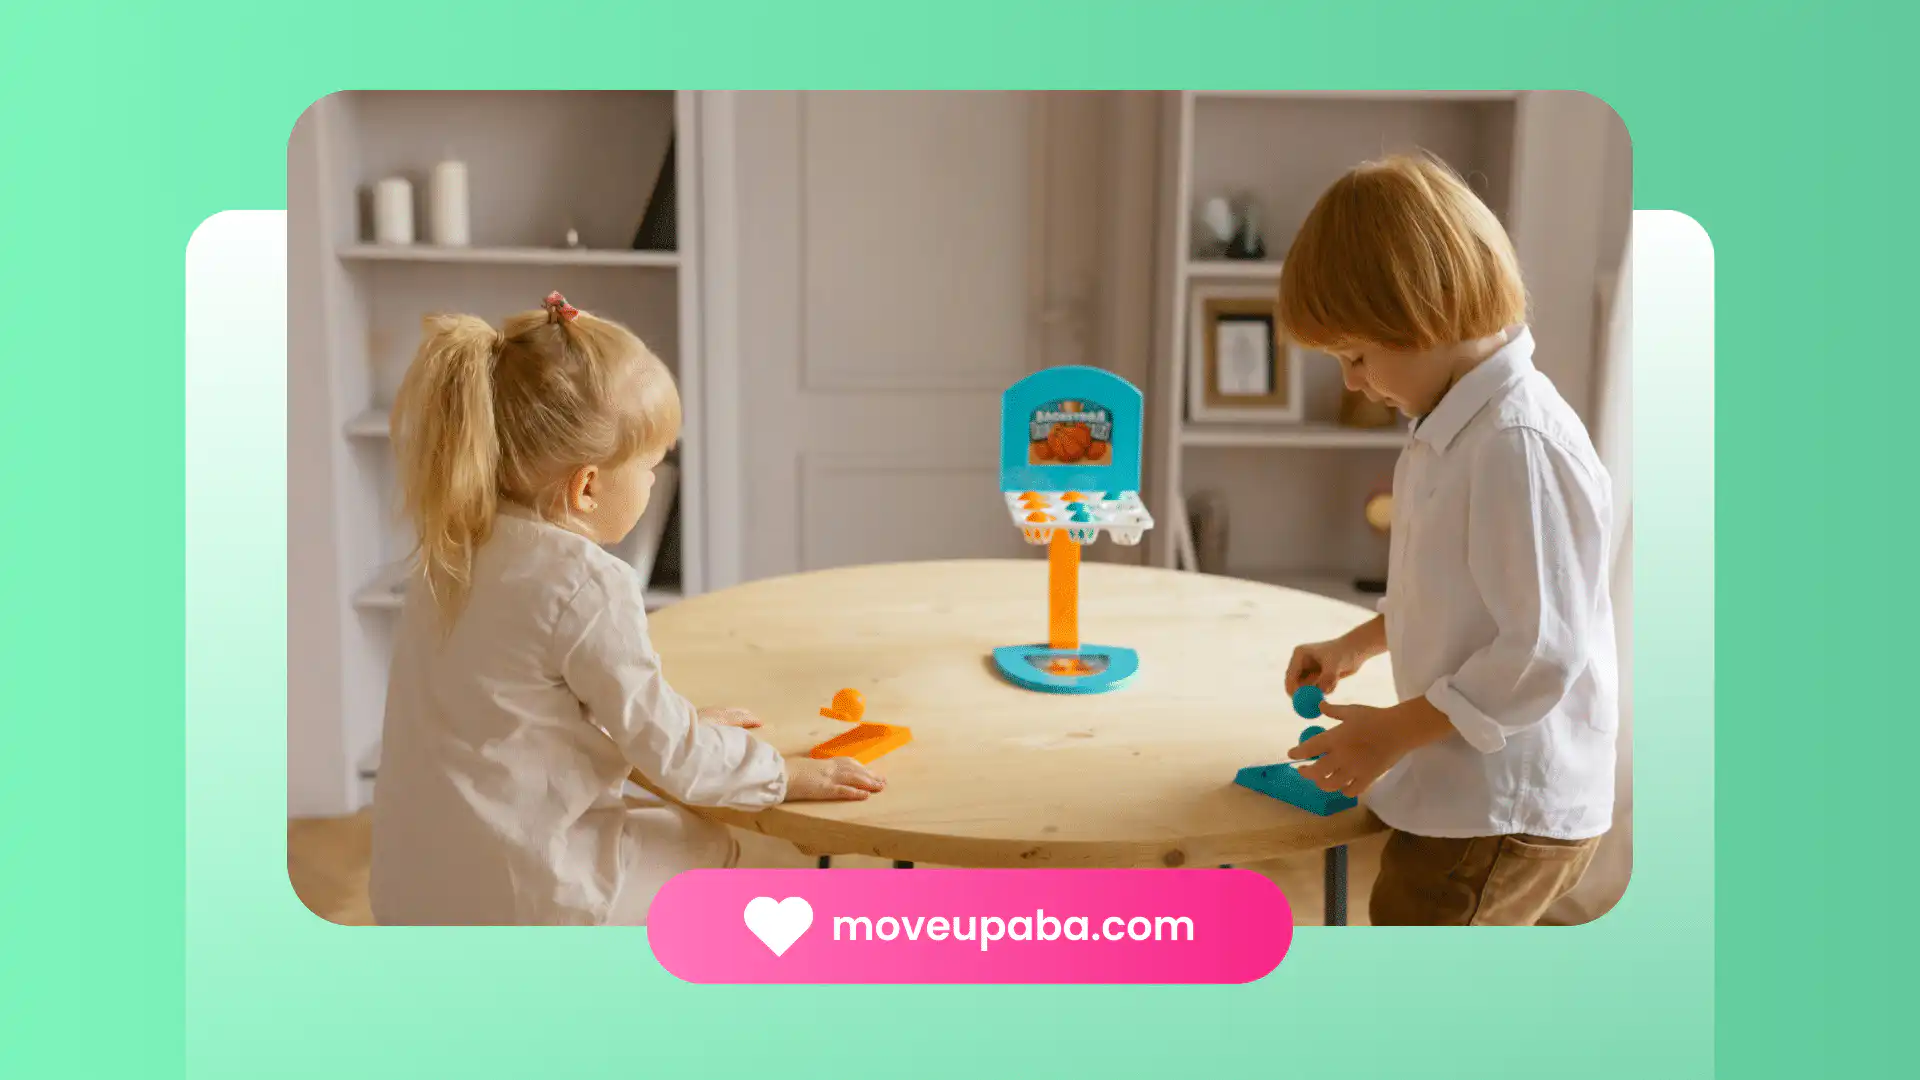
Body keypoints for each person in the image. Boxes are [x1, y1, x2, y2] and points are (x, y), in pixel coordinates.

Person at [368, 291, 883, 926]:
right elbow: (682, 762)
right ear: (587, 486)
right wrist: (784, 773)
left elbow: (521, 712)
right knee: (712, 847)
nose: (654, 481)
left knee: (651, 820)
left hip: (417, 885)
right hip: (529, 895)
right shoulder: (586, 582)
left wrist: (680, 722)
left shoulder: (455, 547)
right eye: (652, 465)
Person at [1276, 155, 1618, 926]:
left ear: (1420, 314)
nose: (1354, 384)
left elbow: (1539, 653)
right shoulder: (1451, 425)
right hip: (1477, 796)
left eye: (1357, 357)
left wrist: (1392, 732)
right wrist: (1362, 642)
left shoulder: (1514, 443)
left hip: (1501, 811)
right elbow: (1458, 593)